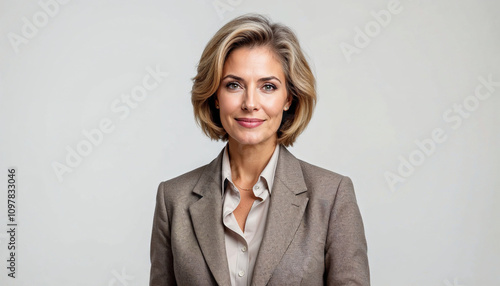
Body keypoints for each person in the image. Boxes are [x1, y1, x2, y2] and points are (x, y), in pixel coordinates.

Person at [150, 14, 369, 286]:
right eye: (234, 85)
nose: (250, 103)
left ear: (289, 98)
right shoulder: (173, 199)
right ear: (215, 96)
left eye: (268, 86)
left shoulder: (332, 196)